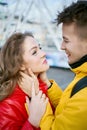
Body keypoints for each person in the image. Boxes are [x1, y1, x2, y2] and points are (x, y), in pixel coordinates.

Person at [23, 1, 87, 130]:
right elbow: (66, 107)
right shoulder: (82, 74)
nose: (62, 46)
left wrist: (35, 95)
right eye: (34, 51)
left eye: (66, 40)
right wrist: (48, 84)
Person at [0, 32, 60, 130]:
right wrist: (32, 122)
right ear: (20, 64)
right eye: (34, 52)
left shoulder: (43, 86)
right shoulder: (8, 106)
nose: (44, 53)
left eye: (39, 48)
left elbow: (64, 113)